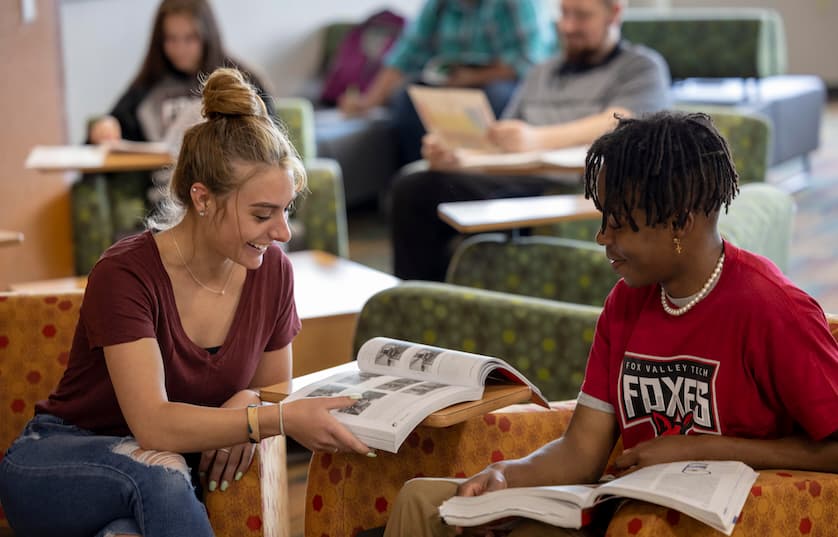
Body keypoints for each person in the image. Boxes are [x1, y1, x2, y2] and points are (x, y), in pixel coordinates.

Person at [381, 111, 838, 537]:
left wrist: (704, 447)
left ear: (681, 219)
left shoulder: (771, 308)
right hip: (619, 505)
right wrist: (509, 474)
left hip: (722, 517)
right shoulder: (627, 301)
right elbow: (581, 451)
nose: (603, 237)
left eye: (619, 223)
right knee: (424, 500)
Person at [0, 67, 372, 537]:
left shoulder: (273, 271)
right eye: (262, 214)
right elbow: (154, 426)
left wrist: (248, 400)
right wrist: (270, 419)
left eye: (286, 210)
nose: (282, 232)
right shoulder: (126, 273)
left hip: (157, 478)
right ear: (202, 198)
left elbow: (270, 390)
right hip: (58, 461)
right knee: (160, 469)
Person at [390, 0, 671, 282]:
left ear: (614, 14)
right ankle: (418, 303)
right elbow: (499, 141)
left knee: (483, 210)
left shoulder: (642, 67)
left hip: (575, 187)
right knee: (414, 187)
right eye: (564, 14)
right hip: (516, 175)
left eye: (582, 16)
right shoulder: (541, 72)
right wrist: (457, 156)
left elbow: (622, 121)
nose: (568, 26)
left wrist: (537, 139)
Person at [75, 0, 275, 275]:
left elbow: (271, 146)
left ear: (207, 35)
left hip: (233, 195)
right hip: (168, 201)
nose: (180, 49)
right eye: (171, 39)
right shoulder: (147, 88)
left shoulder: (241, 81)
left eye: (190, 38)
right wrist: (104, 127)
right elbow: (105, 135)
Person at [338, 0, 556, 166]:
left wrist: (472, 77)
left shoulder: (520, 5)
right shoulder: (439, 6)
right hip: (450, 80)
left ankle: (482, 175)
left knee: (496, 97)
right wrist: (368, 102)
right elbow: (406, 55)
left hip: (501, 80)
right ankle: (420, 173)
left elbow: (531, 60)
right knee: (407, 98)